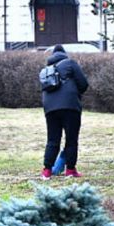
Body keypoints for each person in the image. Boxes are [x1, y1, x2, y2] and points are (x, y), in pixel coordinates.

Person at [41, 45, 89, 180]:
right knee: (71, 139)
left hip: (50, 108)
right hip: (70, 106)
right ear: (64, 54)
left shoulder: (46, 70)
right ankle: (70, 170)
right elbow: (84, 84)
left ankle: (47, 171)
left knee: (52, 139)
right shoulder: (70, 64)